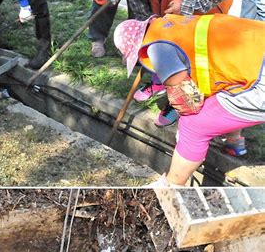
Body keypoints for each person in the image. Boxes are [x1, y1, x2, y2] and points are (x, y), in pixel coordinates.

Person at [113, 14, 265, 186]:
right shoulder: (172, 24)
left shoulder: (157, 49)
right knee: (221, 96)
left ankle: (171, 186)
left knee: (193, 124)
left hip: (261, 81)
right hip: (256, 51)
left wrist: (183, 128)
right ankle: (234, 143)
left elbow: (188, 101)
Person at [112, 0, 234, 126]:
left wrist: (186, 4)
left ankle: (181, 103)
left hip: (205, 13)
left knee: (188, 60)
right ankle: (160, 80)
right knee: (164, 48)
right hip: (172, 13)